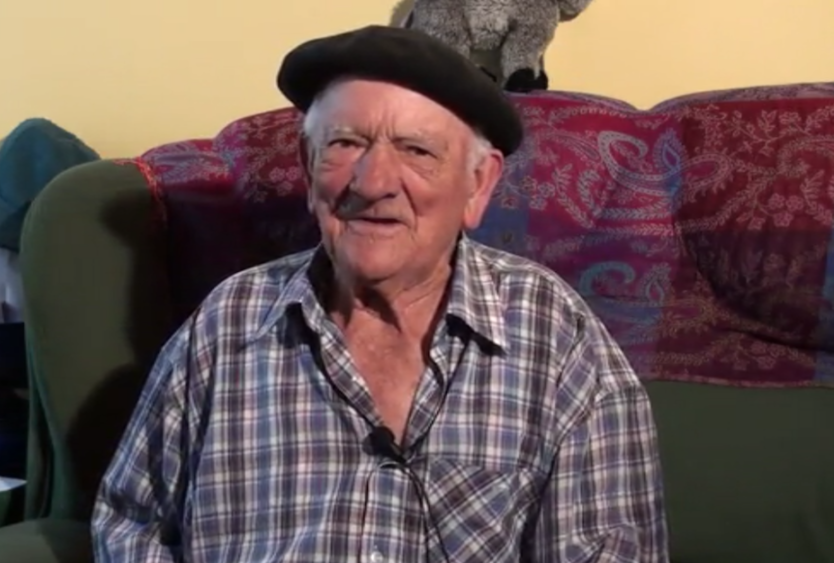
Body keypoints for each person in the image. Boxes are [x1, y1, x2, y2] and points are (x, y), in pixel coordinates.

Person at [91, 25, 669, 563]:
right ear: (308, 166)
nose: (372, 183)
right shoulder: (228, 323)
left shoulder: (554, 335)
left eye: (417, 151)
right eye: (345, 144)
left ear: (478, 185)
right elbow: (130, 528)